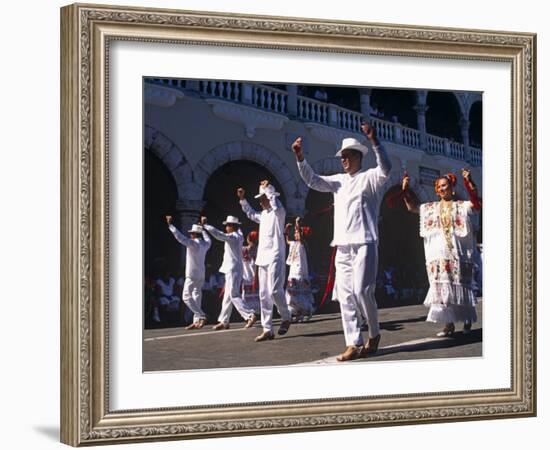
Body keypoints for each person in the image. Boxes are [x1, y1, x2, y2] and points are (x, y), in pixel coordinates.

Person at [292, 122, 392, 361]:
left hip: (365, 242)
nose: (343, 160)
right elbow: (312, 180)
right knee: (346, 295)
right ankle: (353, 343)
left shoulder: (371, 178)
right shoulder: (338, 181)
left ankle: (375, 333)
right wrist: (300, 158)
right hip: (342, 245)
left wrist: (375, 140)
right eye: (342, 157)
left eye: (347, 156)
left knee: (362, 291)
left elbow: (386, 167)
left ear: (358, 156)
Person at [401, 169, 482, 336]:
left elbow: (476, 204)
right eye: (439, 187)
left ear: (452, 188)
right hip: (439, 255)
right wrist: (406, 190)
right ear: (436, 191)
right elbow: (412, 207)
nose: (443, 189)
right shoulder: (430, 208)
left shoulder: (461, 205)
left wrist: (469, 182)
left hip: (458, 254)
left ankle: (467, 321)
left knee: (461, 286)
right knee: (444, 289)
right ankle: (449, 324)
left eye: (445, 186)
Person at [238, 181, 292, 342]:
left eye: (263, 198)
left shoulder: (279, 213)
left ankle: (286, 316)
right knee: (263, 295)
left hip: (276, 254)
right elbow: (250, 213)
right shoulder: (263, 216)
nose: (260, 201)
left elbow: (275, 205)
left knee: (275, 290)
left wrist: (268, 189)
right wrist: (243, 200)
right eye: (260, 198)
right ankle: (267, 329)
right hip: (263, 256)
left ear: (270, 197)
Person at [201, 215, 257, 330]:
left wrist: (206, 225)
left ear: (232, 227)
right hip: (233, 269)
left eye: (227, 225)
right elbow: (231, 231)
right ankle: (224, 320)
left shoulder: (233, 237)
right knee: (227, 296)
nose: (226, 227)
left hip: (233, 269)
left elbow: (219, 235)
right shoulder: (240, 235)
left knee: (234, 294)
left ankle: (249, 314)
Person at [166, 216, 211, 330]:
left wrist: (171, 225)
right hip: (201, 275)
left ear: (194, 234)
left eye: (192, 233)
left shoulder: (193, 244)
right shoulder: (205, 244)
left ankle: (201, 315)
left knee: (186, 296)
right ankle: (196, 321)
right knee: (196, 296)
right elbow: (208, 239)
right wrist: (203, 229)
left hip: (192, 275)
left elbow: (180, 237)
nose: (190, 235)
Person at [285, 217, 315, 321]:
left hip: (300, 271)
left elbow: (300, 237)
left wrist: (297, 223)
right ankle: (298, 312)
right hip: (293, 270)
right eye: (295, 232)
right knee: (293, 293)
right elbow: (288, 240)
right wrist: (286, 231)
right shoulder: (294, 244)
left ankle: (304, 311)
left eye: (297, 232)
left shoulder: (302, 244)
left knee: (300, 292)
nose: (295, 234)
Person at [242, 230, 261, 315]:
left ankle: (251, 314)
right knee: (252, 297)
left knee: (249, 297)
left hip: (249, 276)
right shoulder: (244, 249)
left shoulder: (243, 249)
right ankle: (253, 314)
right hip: (250, 276)